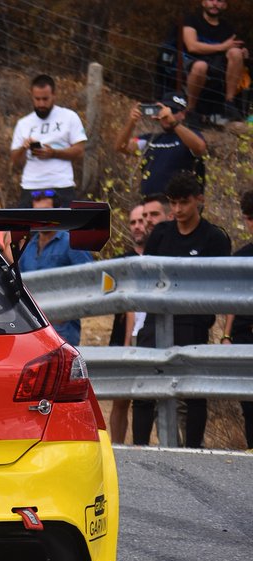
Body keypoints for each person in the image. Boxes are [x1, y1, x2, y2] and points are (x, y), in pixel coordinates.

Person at [132, 171, 232, 448]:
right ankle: (139, 447)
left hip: (193, 322)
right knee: (143, 386)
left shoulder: (214, 238)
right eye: (172, 203)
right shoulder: (162, 233)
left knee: (192, 390)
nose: (177, 210)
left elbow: (224, 286)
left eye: (183, 203)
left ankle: (192, 449)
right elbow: (145, 273)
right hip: (156, 318)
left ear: (199, 200)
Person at [16, 190, 93, 345]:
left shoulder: (71, 242)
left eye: (46, 213)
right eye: (37, 214)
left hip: (63, 327)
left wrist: (67, 312)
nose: (41, 219)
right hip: (34, 326)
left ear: (57, 213)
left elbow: (90, 278)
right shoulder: (29, 247)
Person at [108, 204, 153, 443]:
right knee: (120, 396)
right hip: (121, 336)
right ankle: (116, 449)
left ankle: (142, 446)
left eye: (141, 221)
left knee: (146, 396)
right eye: (133, 222)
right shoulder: (120, 261)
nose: (137, 226)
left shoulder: (160, 256)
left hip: (152, 333)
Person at [9, 75, 87, 208]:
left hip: (61, 185)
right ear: (31, 96)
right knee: (27, 228)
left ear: (54, 95)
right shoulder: (23, 123)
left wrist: (54, 153)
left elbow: (80, 151)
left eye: (45, 99)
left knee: (64, 228)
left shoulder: (69, 117)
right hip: (31, 186)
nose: (41, 104)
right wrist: (24, 148)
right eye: (37, 99)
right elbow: (16, 161)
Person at [113, 92, 207, 200]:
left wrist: (174, 123)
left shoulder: (190, 136)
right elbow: (120, 146)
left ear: (183, 114)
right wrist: (131, 121)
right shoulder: (151, 139)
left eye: (173, 111)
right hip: (149, 204)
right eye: (163, 111)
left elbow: (200, 147)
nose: (166, 115)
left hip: (178, 203)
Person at [220, 188, 253, 448]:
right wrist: (226, 335)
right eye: (249, 217)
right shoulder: (241, 257)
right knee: (249, 403)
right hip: (244, 334)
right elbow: (231, 300)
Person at [182, 0, 250, 122]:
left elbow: (232, 47)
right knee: (200, 66)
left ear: (224, 5)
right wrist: (222, 47)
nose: (215, 4)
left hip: (217, 64)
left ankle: (229, 103)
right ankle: (190, 110)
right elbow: (192, 46)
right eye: (211, 0)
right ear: (203, 3)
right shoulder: (191, 21)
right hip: (193, 60)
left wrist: (242, 52)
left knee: (236, 53)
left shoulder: (228, 28)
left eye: (219, 1)